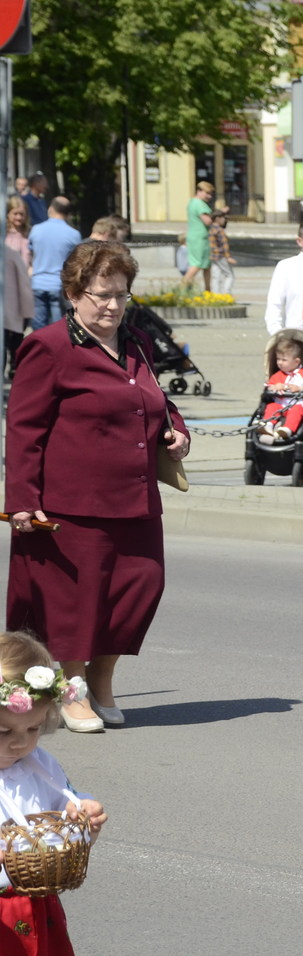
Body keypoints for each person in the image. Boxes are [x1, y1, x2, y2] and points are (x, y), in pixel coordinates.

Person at [6, 241, 191, 734]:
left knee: (138, 591)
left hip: (135, 498)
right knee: (77, 604)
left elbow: (154, 403)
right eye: (101, 294)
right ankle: (73, 689)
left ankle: (104, 679)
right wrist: (22, 499)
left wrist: (176, 432)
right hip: (73, 505)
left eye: (121, 295)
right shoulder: (48, 346)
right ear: (73, 293)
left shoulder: (136, 344)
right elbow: (24, 429)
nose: (112, 305)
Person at [0, 631, 109, 954]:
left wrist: (83, 819)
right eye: (4, 731)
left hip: (35, 903)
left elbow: (61, 812)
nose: (20, 743)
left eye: (33, 728)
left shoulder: (39, 764)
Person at [257, 335, 303, 443]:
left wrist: (300, 389)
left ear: (296, 361)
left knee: (297, 410)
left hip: (298, 405)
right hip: (281, 404)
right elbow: (269, 388)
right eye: (278, 359)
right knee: (272, 406)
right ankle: (268, 425)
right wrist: (275, 387)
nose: (280, 362)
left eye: (284, 360)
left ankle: (287, 429)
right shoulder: (278, 375)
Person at [28, 198, 80, 331]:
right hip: (59, 285)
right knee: (59, 328)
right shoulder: (73, 235)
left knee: (38, 328)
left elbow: (29, 255)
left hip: (37, 282)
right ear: (68, 214)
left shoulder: (36, 229)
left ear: (50, 209)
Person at [4, 198, 33, 379]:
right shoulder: (4, 235)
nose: (19, 217)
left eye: (22, 214)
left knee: (19, 330)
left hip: (24, 288)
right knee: (7, 329)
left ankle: (15, 364)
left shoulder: (28, 234)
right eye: (15, 213)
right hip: (8, 289)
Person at [182, 182, 214, 290]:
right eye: (207, 193)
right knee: (198, 264)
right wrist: (218, 216)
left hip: (194, 236)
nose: (209, 196)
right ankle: (183, 287)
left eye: (210, 194)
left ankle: (208, 290)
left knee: (206, 265)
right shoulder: (199, 204)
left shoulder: (192, 202)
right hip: (200, 238)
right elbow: (207, 221)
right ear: (199, 191)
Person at [207, 206, 236, 296]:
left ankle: (215, 295)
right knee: (229, 275)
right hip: (220, 255)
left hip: (212, 255)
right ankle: (227, 294)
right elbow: (224, 244)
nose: (225, 220)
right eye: (223, 218)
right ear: (218, 219)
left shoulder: (210, 229)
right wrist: (228, 257)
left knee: (216, 276)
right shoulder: (220, 230)